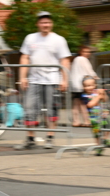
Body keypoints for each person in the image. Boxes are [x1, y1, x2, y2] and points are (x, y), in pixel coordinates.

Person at [18, 11, 71, 150]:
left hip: (52, 79)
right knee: (29, 108)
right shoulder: (30, 38)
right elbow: (25, 58)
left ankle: (50, 138)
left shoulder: (59, 40)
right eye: (42, 22)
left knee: (52, 110)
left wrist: (65, 80)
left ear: (51, 24)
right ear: (38, 24)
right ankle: (30, 138)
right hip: (34, 79)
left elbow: (64, 60)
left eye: (47, 22)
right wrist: (22, 77)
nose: (45, 25)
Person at [81, 77, 110, 155]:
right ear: (83, 87)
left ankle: (105, 139)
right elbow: (90, 105)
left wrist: (103, 94)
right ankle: (99, 147)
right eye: (86, 86)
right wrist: (98, 97)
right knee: (97, 133)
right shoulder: (84, 96)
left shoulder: (97, 92)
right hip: (93, 117)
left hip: (103, 114)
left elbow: (105, 99)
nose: (89, 87)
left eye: (91, 85)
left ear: (95, 85)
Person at [70, 45, 98, 127]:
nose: (87, 53)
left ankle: (76, 121)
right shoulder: (83, 59)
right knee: (83, 104)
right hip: (82, 84)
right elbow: (89, 70)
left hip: (74, 85)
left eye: (88, 52)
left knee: (75, 104)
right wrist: (95, 77)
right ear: (80, 52)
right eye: (85, 51)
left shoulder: (75, 59)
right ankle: (86, 121)